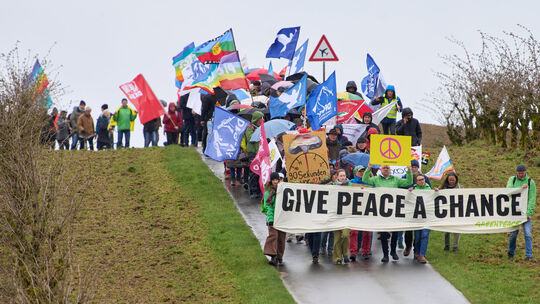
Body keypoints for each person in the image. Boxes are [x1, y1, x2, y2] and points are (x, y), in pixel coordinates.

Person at [363, 163, 413, 262]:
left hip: (394, 209)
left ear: (390, 170)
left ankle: (393, 251)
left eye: (388, 168)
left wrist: (409, 171)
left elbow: (408, 182)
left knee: (394, 232)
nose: (386, 169)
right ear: (381, 170)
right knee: (383, 233)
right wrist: (368, 168)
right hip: (381, 210)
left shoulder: (395, 179)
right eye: (384, 168)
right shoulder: (376, 179)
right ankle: (385, 254)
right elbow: (365, 180)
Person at [401, 159, 432, 255]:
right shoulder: (405, 176)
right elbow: (401, 190)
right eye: (412, 167)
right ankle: (408, 246)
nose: (414, 169)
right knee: (409, 230)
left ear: (418, 167)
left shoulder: (424, 178)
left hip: (421, 208)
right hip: (410, 207)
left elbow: (429, 189)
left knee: (419, 232)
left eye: (415, 167)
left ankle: (416, 250)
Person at [506, 164, 536, 261]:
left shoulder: (531, 182)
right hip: (514, 213)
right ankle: (510, 253)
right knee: (513, 234)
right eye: (519, 173)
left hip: (525, 213)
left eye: (522, 173)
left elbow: (532, 199)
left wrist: (529, 213)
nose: (521, 175)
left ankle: (529, 255)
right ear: (516, 173)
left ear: (525, 172)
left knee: (527, 234)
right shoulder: (512, 180)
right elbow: (508, 190)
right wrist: (521, 189)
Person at [349, 165, 373, 261]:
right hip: (355, 210)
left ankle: (365, 251)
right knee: (354, 232)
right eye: (360, 171)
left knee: (367, 232)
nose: (362, 173)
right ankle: (353, 252)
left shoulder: (369, 182)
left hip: (367, 210)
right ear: (355, 173)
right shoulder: (351, 183)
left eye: (363, 171)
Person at [263, 172, 286, 266]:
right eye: (274, 180)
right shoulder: (268, 192)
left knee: (281, 238)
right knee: (274, 236)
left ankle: (280, 256)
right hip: (272, 218)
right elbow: (268, 206)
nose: (275, 182)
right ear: (271, 181)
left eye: (277, 180)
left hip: (282, 218)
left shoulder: (283, 190)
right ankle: (273, 255)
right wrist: (270, 219)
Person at [408, 175, 432, 264]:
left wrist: (436, 192)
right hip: (417, 217)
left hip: (427, 217)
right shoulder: (413, 189)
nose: (421, 181)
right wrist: (409, 192)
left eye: (423, 179)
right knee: (417, 236)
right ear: (416, 182)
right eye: (419, 180)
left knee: (425, 235)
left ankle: (422, 255)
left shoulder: (429, 188)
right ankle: (417, 252)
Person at [437, 171, 462, 252]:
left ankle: (455, 246)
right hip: (447, 212)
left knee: (456, 229)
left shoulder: (460, 188)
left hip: (457, 211)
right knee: (447, 230)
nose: (451, 181)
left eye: (453, 180)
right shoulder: (443, 187)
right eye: (450, 180)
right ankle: (447, 245)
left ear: (456, 180)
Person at [244, 111, 264, 199]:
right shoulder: (250, 127)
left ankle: (260, 190)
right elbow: (250, 138)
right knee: (254, 172)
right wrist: (258, 132)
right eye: (261, 118)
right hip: (253, 153)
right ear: (257, 119)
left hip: (261, 152)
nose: (262, 120)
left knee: (261, 172)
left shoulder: (263, 127)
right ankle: (253, 190)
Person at [333, 169, 351, 264]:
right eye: (341, 176)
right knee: (337, 238)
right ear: (337, 177)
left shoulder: (350, 186)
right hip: (335, 215)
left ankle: (345, 254)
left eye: (344, 175)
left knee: (345, 235)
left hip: (346, 216)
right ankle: (338, 257)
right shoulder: (333, 187)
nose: (343, 177)